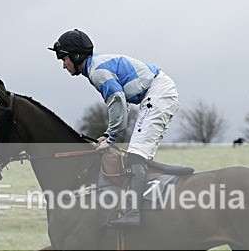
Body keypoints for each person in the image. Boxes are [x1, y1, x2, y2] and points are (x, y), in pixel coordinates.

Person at [49, 29, 180, 227]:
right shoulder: (95, 68)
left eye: (64, 59)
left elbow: (117, 101)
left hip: (158, 93)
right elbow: (121, 104)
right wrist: (108, 135)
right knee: (138, 154)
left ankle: (134, 213)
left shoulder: (97, 72)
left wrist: (110, 138)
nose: (63, 65)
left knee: (136, 155)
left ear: (76, 56)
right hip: (158, 92)